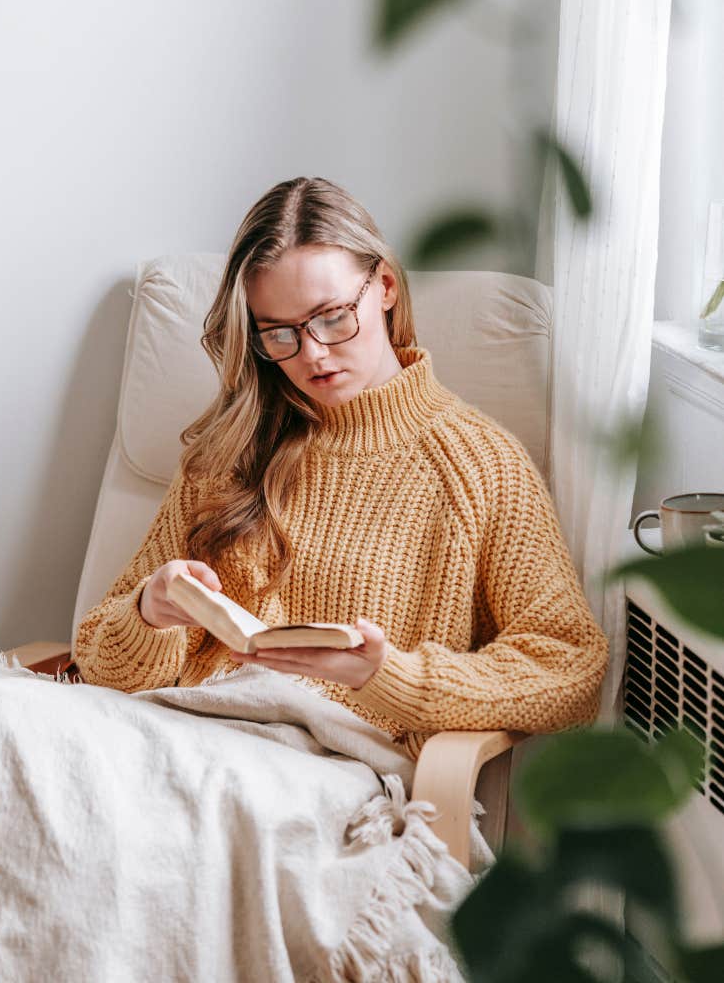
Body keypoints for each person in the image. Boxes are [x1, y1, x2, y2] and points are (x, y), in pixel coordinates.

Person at [73, 176, 609, 760]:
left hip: (322, 770)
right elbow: (98, 658)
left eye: (331, 317)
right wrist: (149, 612)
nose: (312, 355)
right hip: (175, 739)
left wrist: (389, 676)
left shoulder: (481, 466)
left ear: (383, 286)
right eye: (278, 333)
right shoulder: (230, 450)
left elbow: (570, 667)